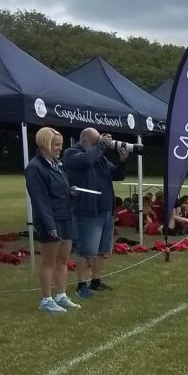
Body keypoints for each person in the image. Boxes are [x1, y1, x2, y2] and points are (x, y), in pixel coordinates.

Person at [62, 127, 128, 298]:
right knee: (85, 249)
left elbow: (118, 175)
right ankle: (81, 284)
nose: (101, 145)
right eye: (96, 142)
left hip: (105, 211)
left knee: (101, 250)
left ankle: (96, 281)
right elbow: (86, 161)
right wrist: (101, 146)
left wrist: (122, 161)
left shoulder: (99, 158)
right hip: (87, 211)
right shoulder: (71, 154)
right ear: (84, 140)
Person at [24, 127, 80, 314]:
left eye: (60, 145)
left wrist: (71, 192)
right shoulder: (34, 168)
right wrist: (50, 225)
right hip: (50, 220)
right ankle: (46, 300)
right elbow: (39, 200)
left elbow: (61, 191)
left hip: (66, 217)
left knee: (63, 259)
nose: (59, 149)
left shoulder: (57, 164)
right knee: (49, 261)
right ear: (45, 144)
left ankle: (61, 296)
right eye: (56, 145)